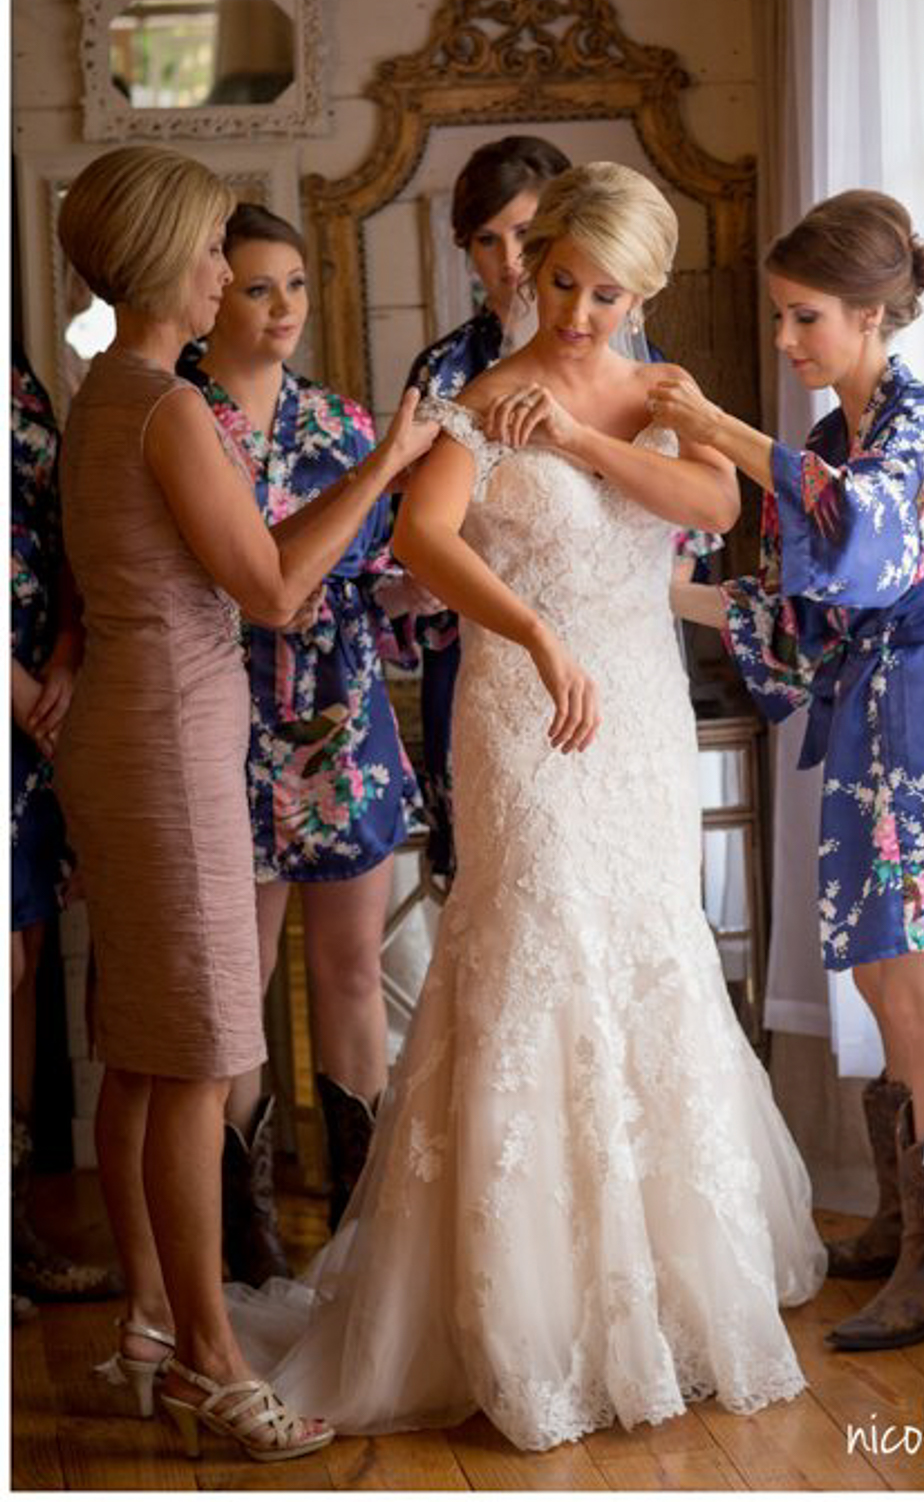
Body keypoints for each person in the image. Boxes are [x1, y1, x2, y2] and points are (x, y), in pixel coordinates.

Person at [226, 162, 824, 1451]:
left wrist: (591, 438)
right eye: (563, 281)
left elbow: (716, 506)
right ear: (529, 264)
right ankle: (526, 1311)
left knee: (647, 955)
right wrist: (537, 632)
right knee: (539, 953)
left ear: (641, 291)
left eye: (610, 293)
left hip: (641, 721)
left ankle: (656, 1300)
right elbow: (423, 544)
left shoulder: (659, 391)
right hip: (522, 711)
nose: (581, 312)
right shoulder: (481, 394)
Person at [56, 143, 438, 1460]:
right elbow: (273, 590)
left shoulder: (106, 387)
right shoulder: (162, 408)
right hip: (167, 747)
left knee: (149, 1052)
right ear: (170, 257)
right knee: (196, 1057)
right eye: (218, 247)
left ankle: (151, 1334)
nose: (230, 270)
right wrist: (386, 464)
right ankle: (215, 1364)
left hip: (135, 732)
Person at [650, 190, 924, 1351]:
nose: (787, 343)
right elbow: (797, 606)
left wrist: (723, 429)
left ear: (873, 313)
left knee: (912, 976)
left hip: (922, 710)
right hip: (860, 702)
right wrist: (653, 595)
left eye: (804, 321)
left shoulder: (918, 422)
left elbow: (859, 542)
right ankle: (901, 1220)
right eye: (783, 321)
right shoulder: (837, 436)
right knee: (879, 977)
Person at [177, 205, 423, 1271]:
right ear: (209, 292)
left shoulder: (343, 422)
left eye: (294, 286)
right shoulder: (177, 417)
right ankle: (245, 1238)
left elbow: (373, 574)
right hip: (225, 717)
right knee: (237, 990)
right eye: (254, 288)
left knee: (351, 970)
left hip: (343, 711)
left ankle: (364, 1230)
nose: (281, 309)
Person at [400, 135, 570, 883]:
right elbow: (405, 526)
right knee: (494, 881)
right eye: (486, 239)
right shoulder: (444, 372)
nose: (508, 260)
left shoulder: (631, 358)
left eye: (526, 235)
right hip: (477, 651)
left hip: (603, 642)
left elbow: (682, 529)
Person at [11, 346, 116, 1322]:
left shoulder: (24, 372)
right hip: (13, 695)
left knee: (28, 956)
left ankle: (19, 1238)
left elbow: (60, 524)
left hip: (43, 701)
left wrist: (70, 655)